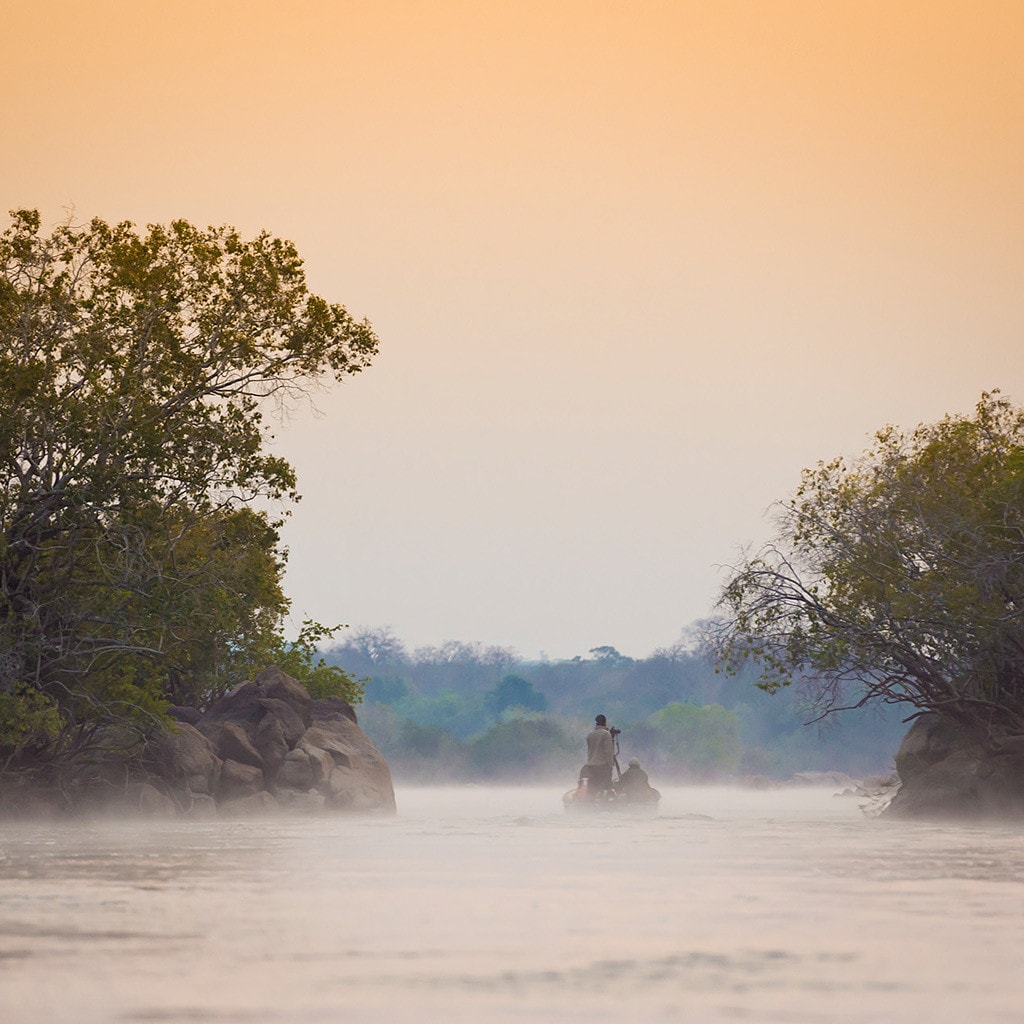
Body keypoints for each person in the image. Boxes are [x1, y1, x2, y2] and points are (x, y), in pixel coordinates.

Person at [580, 714, 615, 799]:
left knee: (592, 787)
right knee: (605, 787)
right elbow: (608, 752)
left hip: (590, 765)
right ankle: (605, 802)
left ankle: (590, 803)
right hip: (602, 766)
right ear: (605, 722)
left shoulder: (590, 735)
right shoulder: (606, 734)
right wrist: (610, 766)